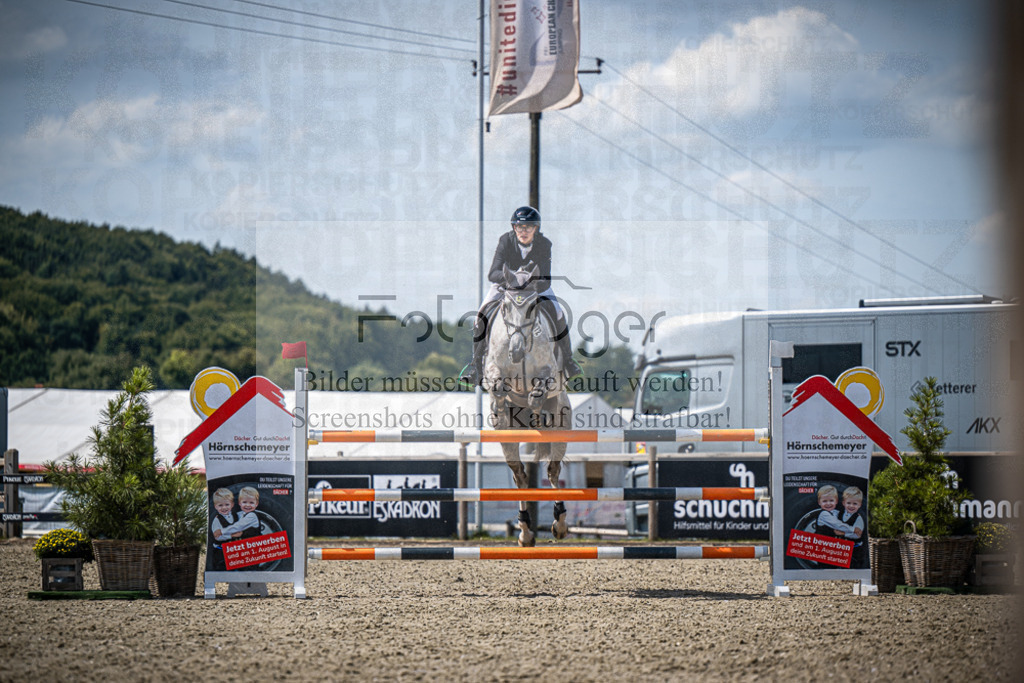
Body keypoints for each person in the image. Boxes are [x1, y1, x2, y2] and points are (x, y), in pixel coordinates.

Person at [459, 206, 583, 387]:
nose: (523, 231)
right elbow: (493, 273)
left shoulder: (544, 244)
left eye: (528, 227)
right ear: (514, 227)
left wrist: (527, 285)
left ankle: (568, 361)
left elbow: (546, 279)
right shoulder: (505, 241)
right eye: (519, 227)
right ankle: (475, 366)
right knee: (481, 315)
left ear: (535, 228)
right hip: (507, 286)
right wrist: (514, 281)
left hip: (534, 287)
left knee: (558, 313)